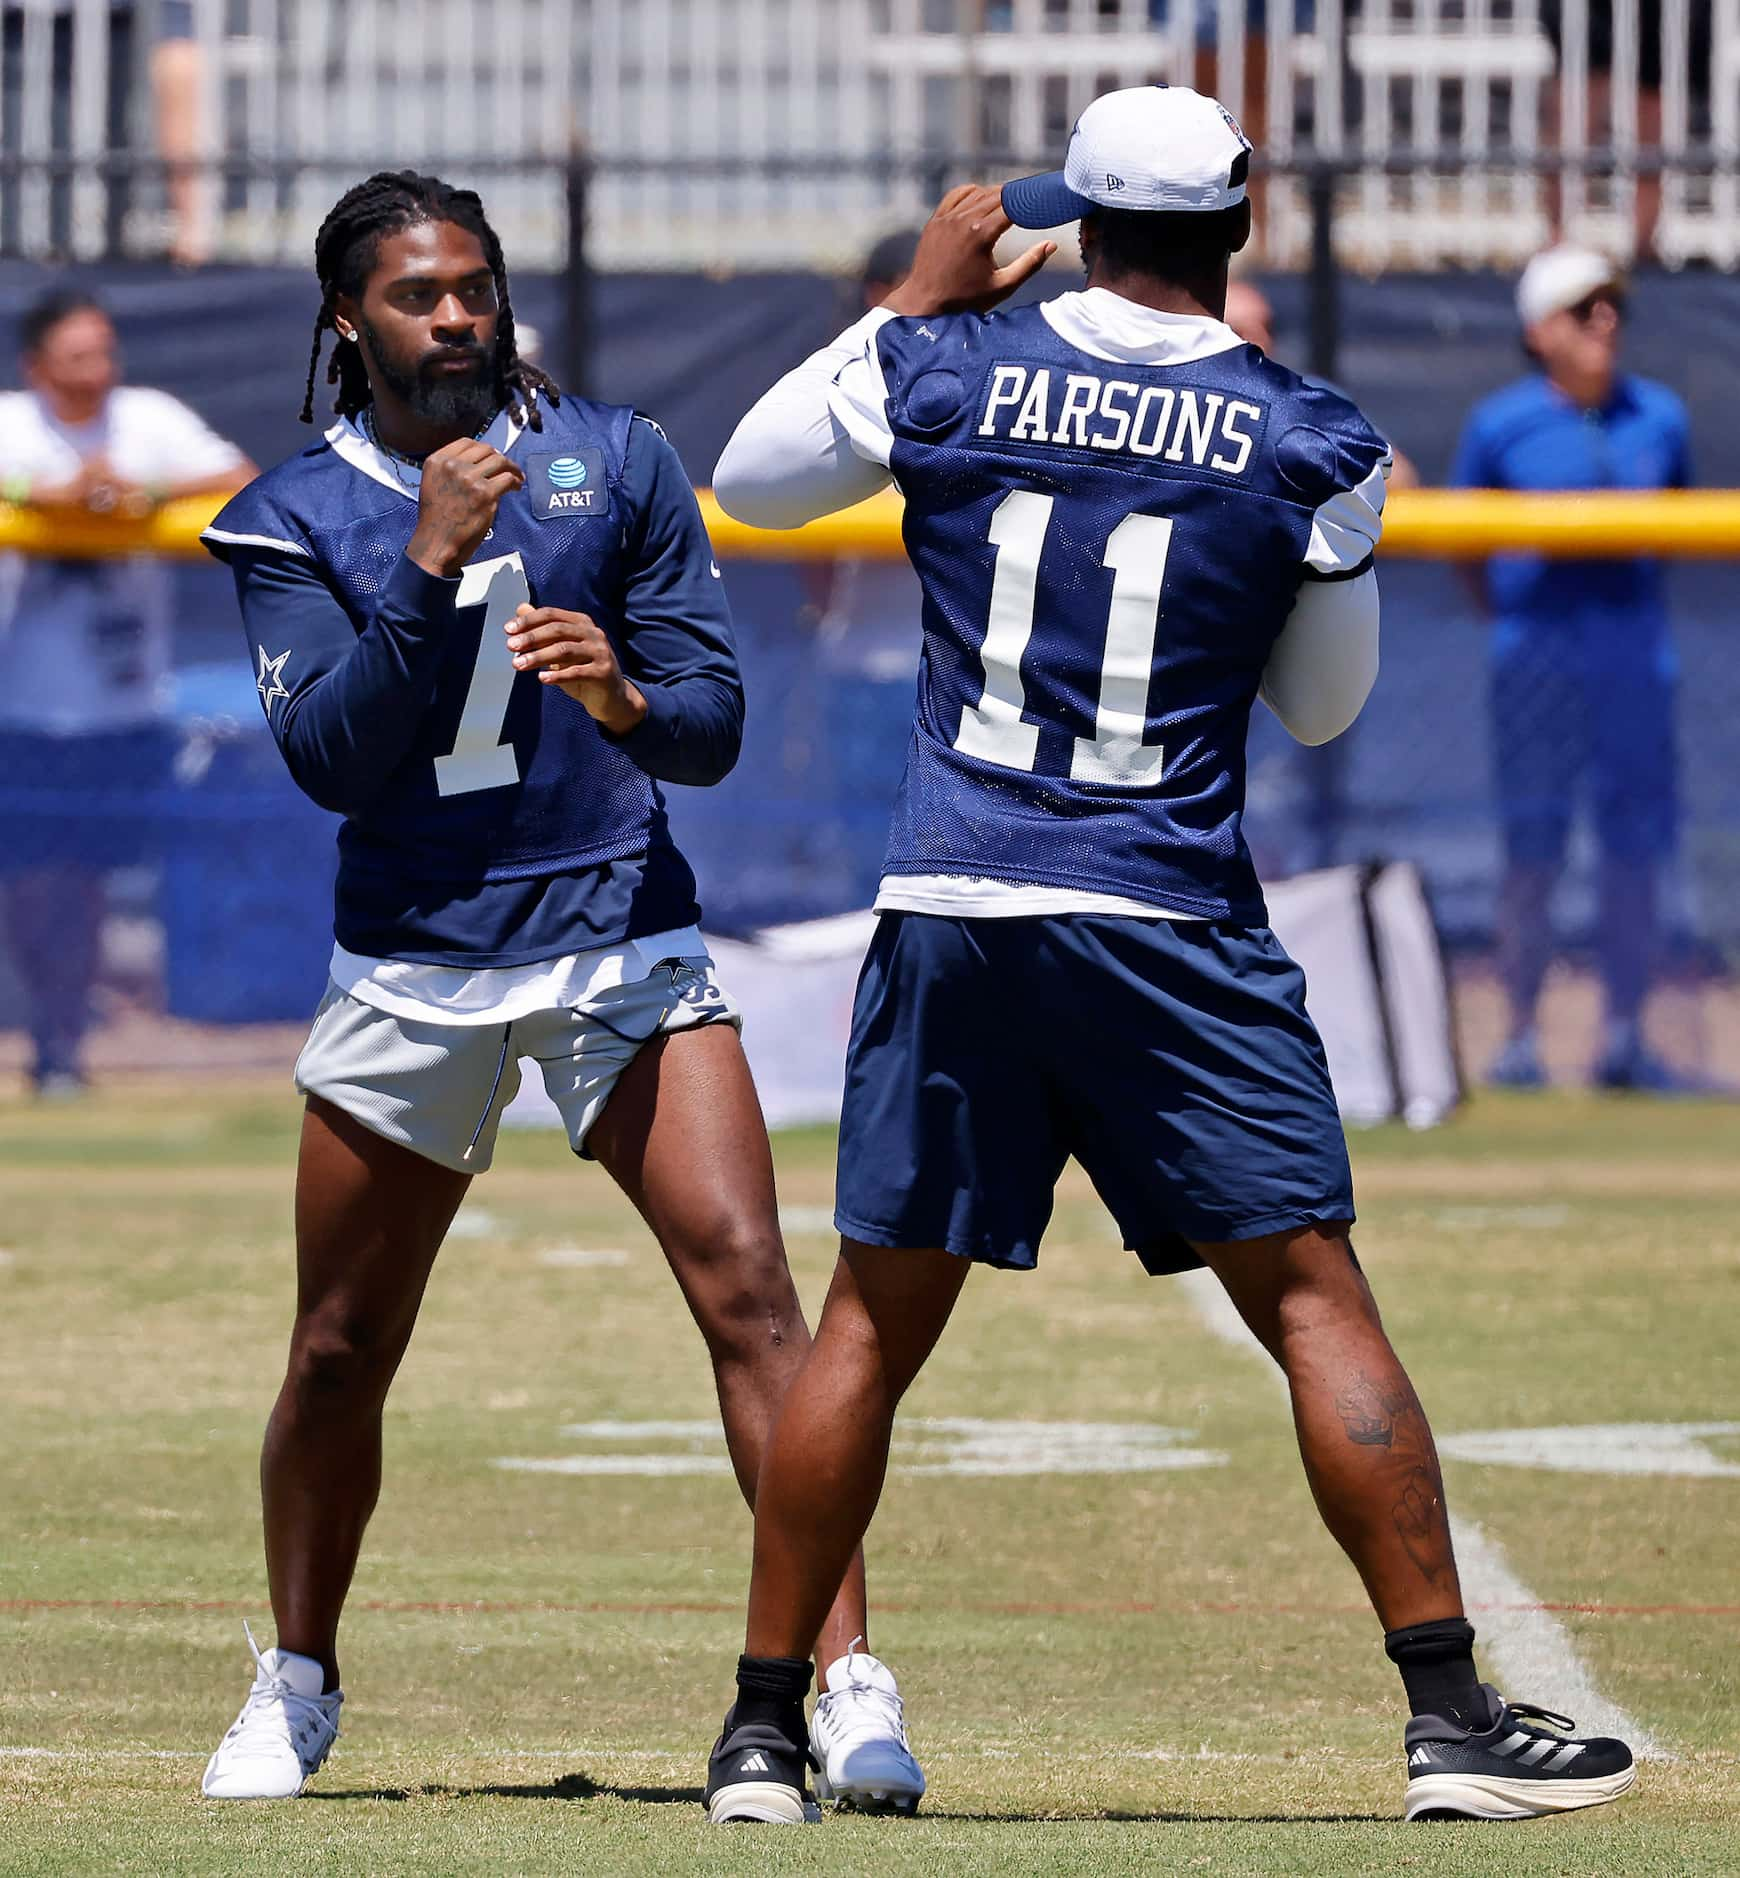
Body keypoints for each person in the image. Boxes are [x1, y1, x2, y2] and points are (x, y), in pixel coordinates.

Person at [705, 88, 1637, 1825]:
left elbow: (754, 485)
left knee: (866, 1323)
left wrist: (913, 294)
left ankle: (764, 1727)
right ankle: (1446, 1717)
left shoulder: (953, 361)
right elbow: (1322, 700)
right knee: (1310, 1298)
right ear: (1243, 227)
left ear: (1080, 222)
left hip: (965, 899)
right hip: (1167, 915)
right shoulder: (1313, 433)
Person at [194, 170, 922, 1809]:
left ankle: (843, 1678)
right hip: (413, 960)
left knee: (754, 1294)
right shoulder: (294, 509)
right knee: (335, 1346)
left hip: (619, 937)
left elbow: (715, 724)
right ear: (348, 321)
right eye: (415, 294)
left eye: (474, 285)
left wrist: (627, 693)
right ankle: (297, 1679)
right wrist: (429, 569)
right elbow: (326, 756)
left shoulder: (617, 457)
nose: (455, 315)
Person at [0, 288, 252, 1095]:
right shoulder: (12, 427)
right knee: (40, 886)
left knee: (93, 883)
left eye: (105, 352)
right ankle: (55, 1035)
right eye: (77, 356)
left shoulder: (148, 421)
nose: (97, 371)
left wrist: (136, 496)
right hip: (22, 706)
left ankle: (67, 1039)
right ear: (35, 366)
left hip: (126, 700)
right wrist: (51, 497)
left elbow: (240, 481)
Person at [1452, 245, 1691, 1092]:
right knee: (1533, 852)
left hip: (1632, 664)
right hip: (1534, 668)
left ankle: (1625, 1037)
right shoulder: (1501, 423)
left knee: (1634, 855)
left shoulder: (1658, 416)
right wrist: (1512, 615)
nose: (1606, 323)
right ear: (1539, 329)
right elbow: (1466, 547)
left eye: (1612, 308)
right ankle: (1517, 1038)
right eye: (1585, 309)